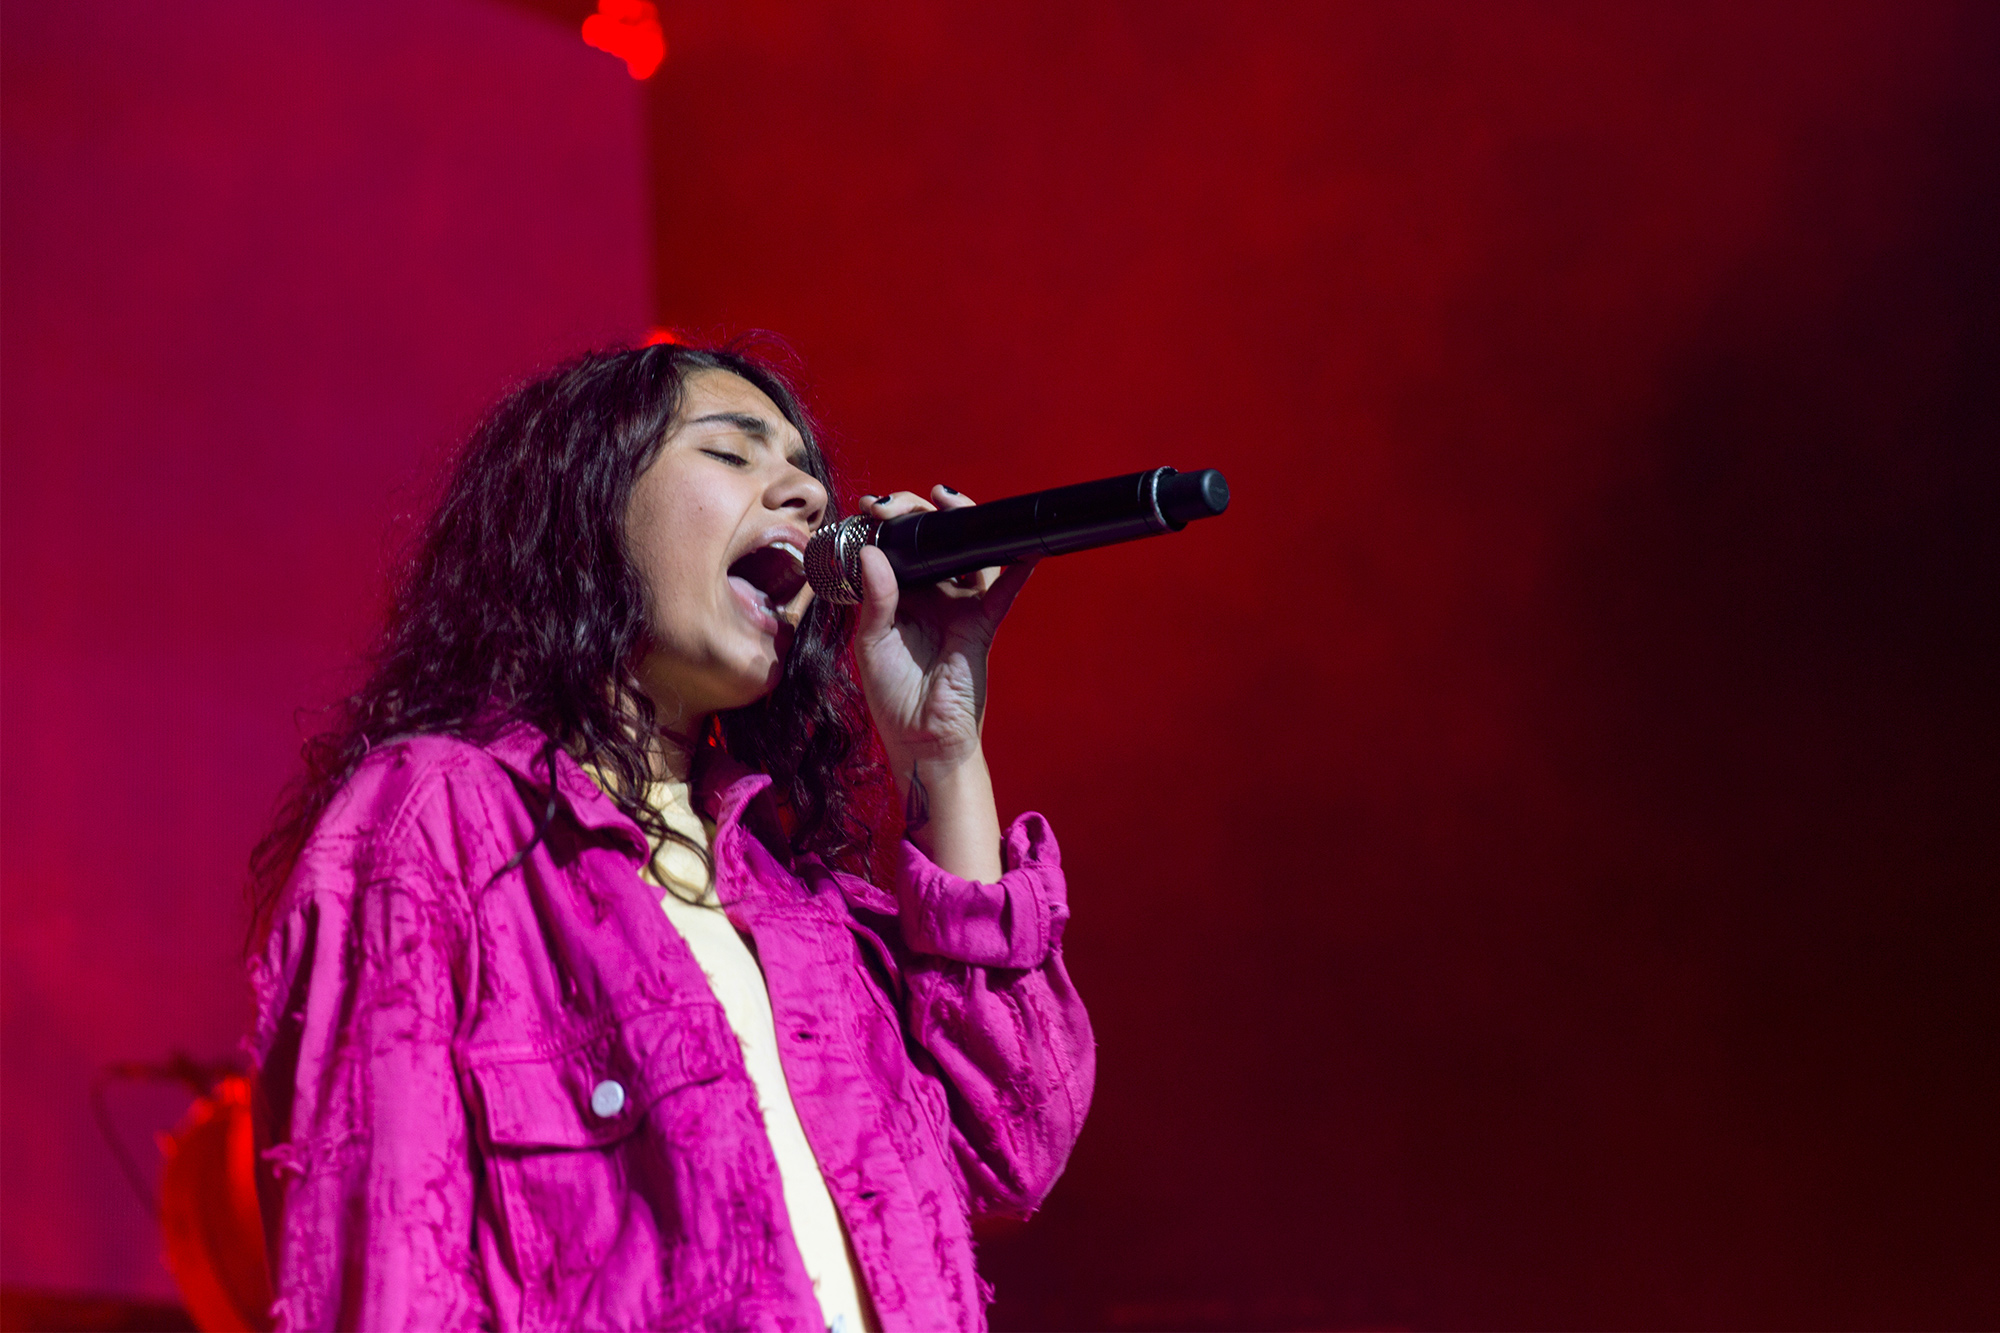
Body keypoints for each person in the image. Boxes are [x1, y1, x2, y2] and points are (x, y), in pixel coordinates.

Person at [246, 342, 1094, 1332]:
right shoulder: (442, 819)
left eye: (807, 475)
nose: (808, 497)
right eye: (731, 453)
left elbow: (1012, 1136)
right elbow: (385, 1260)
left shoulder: (802, 913)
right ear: (583, 513)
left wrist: (941, 755)